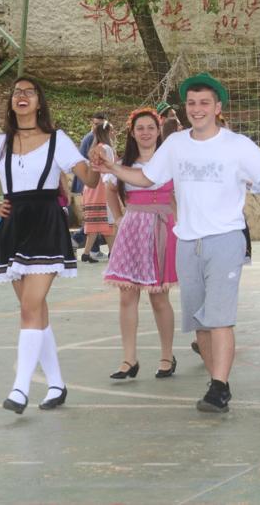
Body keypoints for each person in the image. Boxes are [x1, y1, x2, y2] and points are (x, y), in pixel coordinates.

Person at [96, 72, 260, 413]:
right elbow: (145, 177)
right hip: (187, 242)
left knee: (220, 318)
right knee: (200, 321)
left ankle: (220, 386)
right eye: (191, 104)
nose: (197, 109)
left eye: (204, 103)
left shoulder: (237, 145)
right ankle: (214, 380)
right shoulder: (175, 144)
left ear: (217, 107)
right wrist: (113, 166)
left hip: (225, 239)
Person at [0, 77, 101, 413]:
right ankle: (56, 383)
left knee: (30, 307)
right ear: (12, 102)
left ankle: (20, 388)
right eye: (17, 92)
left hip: (45, 224)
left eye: (29, 92)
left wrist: (97, 164)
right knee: (36, 311)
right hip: (14, 225)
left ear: (39, 102)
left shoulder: (58, 140)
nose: (22, 96)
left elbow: (88, 178)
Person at [102, 108, 178, 380]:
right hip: (133, 230)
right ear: (133, 133)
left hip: (161, 229)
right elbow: (109, 189)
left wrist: (177, 227)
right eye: (140, 128)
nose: (145, 133)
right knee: (127, 295)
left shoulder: (171, 162)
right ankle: (128, 359)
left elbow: (177, 198)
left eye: (150, 127)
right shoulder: (124, 164)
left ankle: (167, 356)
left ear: (159, 132)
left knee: (159, 297)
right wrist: (120, 217)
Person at [81, 121, 115, 263]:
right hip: (102, 186)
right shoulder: (106, 147)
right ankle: (113, 252)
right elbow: (111, 168)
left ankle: (87, 253)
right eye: (112, 131)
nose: (114, 133)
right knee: (107, 221)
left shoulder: (96, 147)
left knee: (96, 221)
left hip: (91, 186)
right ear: (107, 133)